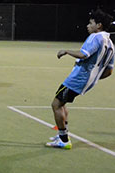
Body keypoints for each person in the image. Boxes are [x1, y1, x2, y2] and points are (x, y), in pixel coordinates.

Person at [46, 9, 114, 150]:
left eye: (91, 23)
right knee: (63, 103)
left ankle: (64, 139)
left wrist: (66, 51)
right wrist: (93, 78)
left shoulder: (96, 37)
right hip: (87, 81)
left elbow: (84, 54)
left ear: (99, 25)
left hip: (78, 79)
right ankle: (62, 134)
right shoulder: (111, 45)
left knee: (56, 104)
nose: (87, 26)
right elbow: (109, 71)